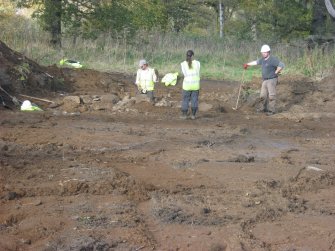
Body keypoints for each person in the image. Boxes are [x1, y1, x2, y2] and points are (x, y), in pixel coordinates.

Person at [243, 44, 284, 115]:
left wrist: (276, 71)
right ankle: (263, 108)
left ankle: (271, 111)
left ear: (268, 52)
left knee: (271, 96)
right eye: (262, 52)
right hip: (265, 80)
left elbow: (282, 65)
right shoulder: (262, 59)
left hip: (272, 79)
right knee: (262, 95)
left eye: (265, 52)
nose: (263, 54)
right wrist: (247, 64)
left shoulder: (272, 59)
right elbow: (256, 62)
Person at [180, 50, 201, 120]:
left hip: (187, 85)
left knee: (185, 100)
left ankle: (184, 115)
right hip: (196, 85)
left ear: (186, 56)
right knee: (194, 100)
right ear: (193, 56)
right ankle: (193, 115)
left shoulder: (183, 64)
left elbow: (185, 74)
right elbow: (198, 71)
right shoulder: (198, 63)